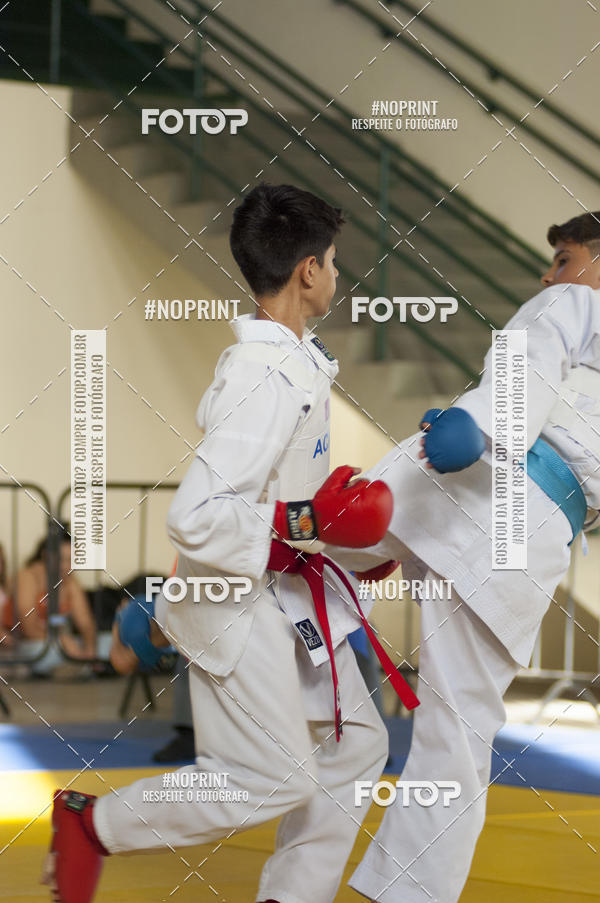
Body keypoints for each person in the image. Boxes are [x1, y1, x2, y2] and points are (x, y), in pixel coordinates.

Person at [42, 183, 418, 903]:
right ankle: (96, 824)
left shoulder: (295, 361)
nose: (338, 275)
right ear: (308, 270)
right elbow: (198, 515)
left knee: (358, 742)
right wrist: (313, 526)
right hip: (237, 602)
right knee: (274, 776)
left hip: (282, 598)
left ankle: (290, 895)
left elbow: (284, 504)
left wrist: (348, 547)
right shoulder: (264, 374)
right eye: (334, 261)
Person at [331, 210, 600, 903]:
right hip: (532, 529)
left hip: (485, 482)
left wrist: (479, 425)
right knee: (458, 731)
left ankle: (187, 609)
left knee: (325, 549)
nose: (552, 275)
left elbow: (533, 351)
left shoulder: (579, 301)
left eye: (564, 258)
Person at [13, 526, 96, 674]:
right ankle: (79, 667)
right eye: (61, 559)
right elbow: (28, 628)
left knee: (107, 642)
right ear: (46, 556)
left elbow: (86, 623)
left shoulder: (71, 582)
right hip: (34, 643)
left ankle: (80, 665)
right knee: (43, 652)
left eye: (71, 560)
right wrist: (62, 640)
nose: (66, 566)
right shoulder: (28, 576)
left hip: (65, 643)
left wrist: (90, 649)